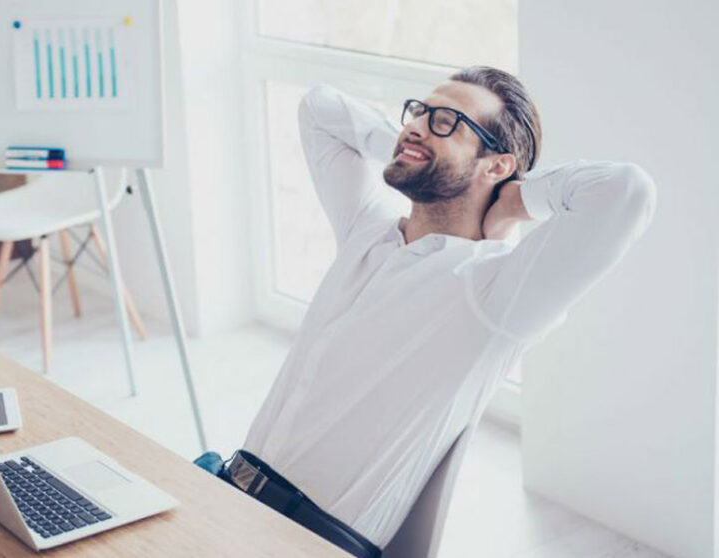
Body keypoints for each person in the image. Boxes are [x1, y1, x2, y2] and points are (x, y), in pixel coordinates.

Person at [194, 66, 656, 557]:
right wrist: (416, 146)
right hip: (224, 496)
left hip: (308, 542)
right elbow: (319, 107)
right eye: (420, 111)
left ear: (496, 165)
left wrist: (513, 201)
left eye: (448, 122)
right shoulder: (367, 230)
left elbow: (627, 192)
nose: (416, 124)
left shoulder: (494, 290)